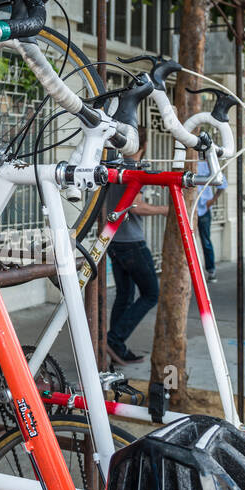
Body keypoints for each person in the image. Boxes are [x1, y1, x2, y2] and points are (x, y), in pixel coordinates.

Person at [106, 137, 168, 365]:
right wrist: (165, 209)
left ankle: (114, 347)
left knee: (124, 295)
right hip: (131, 242)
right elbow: (138, 206)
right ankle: (114, 339)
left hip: (113, 239)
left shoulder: (112, 166)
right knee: (151, 293)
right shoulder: (131, 168)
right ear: (142, 146)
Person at [195, 156, 226, 283]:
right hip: (188, 209)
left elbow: (222, 183)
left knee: (205, 241)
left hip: (203, 209)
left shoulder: (207, 161)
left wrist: (212, 201)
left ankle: (211, 270)